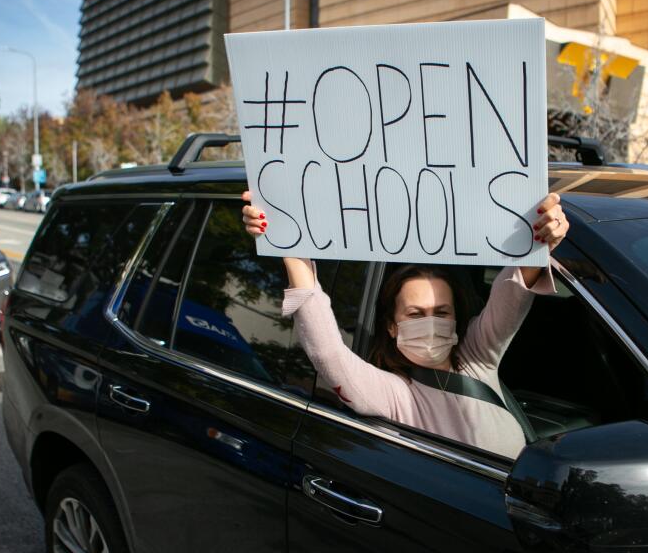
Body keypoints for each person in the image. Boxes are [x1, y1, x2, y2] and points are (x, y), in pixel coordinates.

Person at [241, 190, 569, 458]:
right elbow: (329, 356)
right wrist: (290, 248)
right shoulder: (394, 395)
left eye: (441, 312)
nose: (430, 322)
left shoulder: (478, 357)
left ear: (456, 318)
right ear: (392, 326)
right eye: (415, 314)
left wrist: (539, 240)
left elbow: (512, 292)